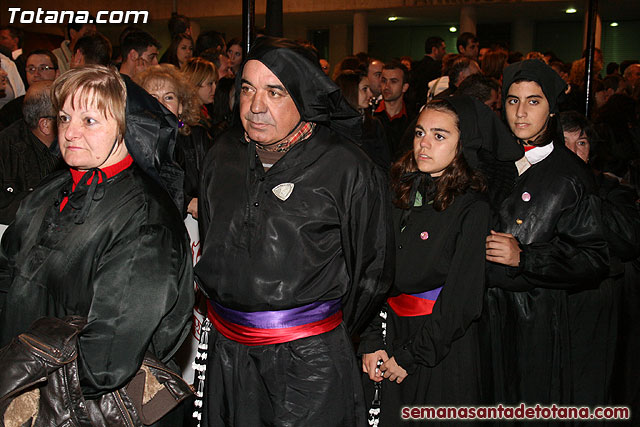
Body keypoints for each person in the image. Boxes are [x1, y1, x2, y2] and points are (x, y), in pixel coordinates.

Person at [195, 36, 393, 426]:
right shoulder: (222, 154)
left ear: (303, 96)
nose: (255, 106)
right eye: (247, 88)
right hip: (227, 354)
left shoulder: (346, 166)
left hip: (309, 364)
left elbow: (372, 268)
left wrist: (313, 328)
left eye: (274, 92)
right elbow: (212, 239)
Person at [0, 65, 194, 426]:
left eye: (89, 120)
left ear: (126, 128)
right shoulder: (48, 192)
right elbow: (5, 275)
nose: (70, 131)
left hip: (82, 407)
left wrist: (28, 396)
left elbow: (106, 359)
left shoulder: (145, 219)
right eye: (64, 117)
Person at [360, 95, 520, 425]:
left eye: (439, 136)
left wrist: (410, 356)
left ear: (463, 146)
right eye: (420, 133)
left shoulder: (472, 209)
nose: (424, 144)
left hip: (439, 348)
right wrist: (371, 339)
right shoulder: (399, 192)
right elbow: (373, 272)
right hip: (389, 334)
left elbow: (462, 300)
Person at [484, 59, 609, 406]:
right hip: (478, 319)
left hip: (534, 324)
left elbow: (593, 257)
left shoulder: (570, 175)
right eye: (512, 101)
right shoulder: (487, 163)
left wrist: (526, 258)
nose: (521, 112)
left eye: (533, 101)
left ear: (552, 109)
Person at [560, 111, 640, 416]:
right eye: (563, 143)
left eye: (580, 142)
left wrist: (583, 192)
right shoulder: (532, 190)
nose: (573, 151)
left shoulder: (609, 190)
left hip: (597, 308)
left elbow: (629, 239)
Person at [134, 64, 213, 219]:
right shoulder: (134, 143)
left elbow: (215, 182)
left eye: (169, 97)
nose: (161, 104)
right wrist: (187, 202)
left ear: (181, 106)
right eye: (153, 98)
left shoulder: (198, 137)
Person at [0, 80, 63, 225]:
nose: (73, 123)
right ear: (45, 125)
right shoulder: (5, 151)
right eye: (64, 117)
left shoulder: (76, 145)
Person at [335, 70, 390, 170]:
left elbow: (384, 164)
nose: (370, 94)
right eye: (365, 89)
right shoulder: (334, 126)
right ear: (350, 90)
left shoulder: (374, 125)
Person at [0, 49, 59, 129]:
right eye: (31, 69)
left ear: (57, 73)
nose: (36, 74)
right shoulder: (11, 110)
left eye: (43, 68)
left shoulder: (66, 103)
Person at [182, 57, 218, 133]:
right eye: (210, 83)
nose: (215, 88)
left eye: (216, 83)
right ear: (194, 84)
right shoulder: (188, 118)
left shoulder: (202, 111)